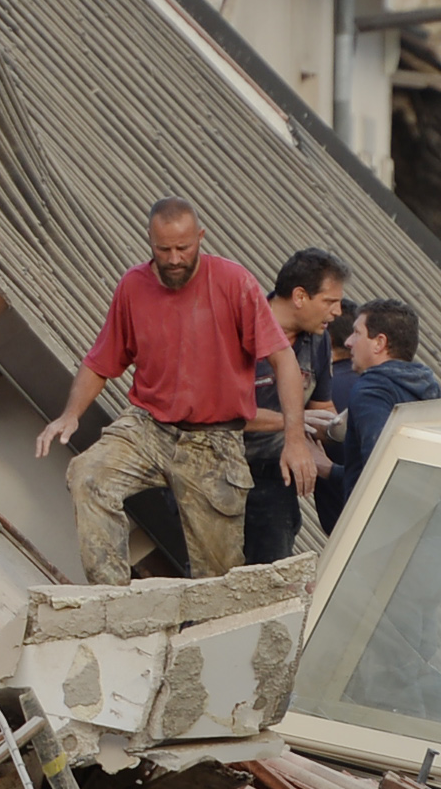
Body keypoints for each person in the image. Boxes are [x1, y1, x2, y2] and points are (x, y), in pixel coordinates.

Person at [37, 199, 318, 583]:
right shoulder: (133, 286)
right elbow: (100, 361)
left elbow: (284, 360)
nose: (173, 259)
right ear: (150, 243)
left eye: (183, 248)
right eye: (163, 249)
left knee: (216, 576)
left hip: (213, 440)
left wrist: (295, 438)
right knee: (87, 474)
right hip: (148, 426)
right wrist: (70, 414)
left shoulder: (234, 282)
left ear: (200, 238)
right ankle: (111, 597)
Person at [244, 248, 352, 564]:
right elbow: (220, 414)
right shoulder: (238, 330)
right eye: (330, 302)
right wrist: (294, 420)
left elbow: (323, 407)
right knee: (211, 578)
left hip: (276, 477)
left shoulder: (318, 341)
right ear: (300, 296)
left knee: (270, 575)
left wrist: (337, 427)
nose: (337, 312)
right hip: (221, 468)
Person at [321, 295, 441, 525]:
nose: (348, 342)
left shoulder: (371, 390)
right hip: (428, 523)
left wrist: (328, 469)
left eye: (357, 333)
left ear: (379, 343)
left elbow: (380, 467)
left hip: (384, 531)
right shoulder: (429, 386)